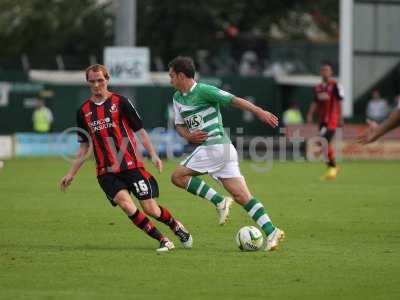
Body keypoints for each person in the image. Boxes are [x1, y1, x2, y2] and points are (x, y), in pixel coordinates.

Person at [59, 64, 192, 252]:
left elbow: (140, 130)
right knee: (126, 205)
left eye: (100, 80)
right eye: (92, 81)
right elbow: (84, 146)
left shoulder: (121, 102)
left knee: (151, 209)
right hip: (106, 171)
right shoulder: (83, 111)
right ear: (88, 82)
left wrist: (153, 155)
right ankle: (163, 240)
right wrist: (71, 173)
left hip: (131, 166)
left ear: (107, 80)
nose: (97, 85)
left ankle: (176, 227)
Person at [167, 56, 284, 251]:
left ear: (181, 75)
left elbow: (233, 100)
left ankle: (219, 201)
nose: (169, 79)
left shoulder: (204, 90)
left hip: (214, 147)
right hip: (222, 151)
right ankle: (272, 231)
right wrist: (188, 136)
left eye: (171, 76)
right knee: (242, 196)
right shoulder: (177, 98)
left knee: (177, 177)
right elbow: (179, 125)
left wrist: (259, 111)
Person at [307, 63, 343, 180]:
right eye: (323, 70)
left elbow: (339, 101)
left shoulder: (336, 85)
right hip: (322, 120)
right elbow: (315, 102)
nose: (325, 72)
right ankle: (333, 168)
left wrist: (340, 118)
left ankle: (332, 167)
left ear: (331, 72)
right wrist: (310, 113)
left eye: (327, 70)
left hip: (332, 119)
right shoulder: (318, 87)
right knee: (327, 145)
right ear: (321, 72)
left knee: (323, 140)